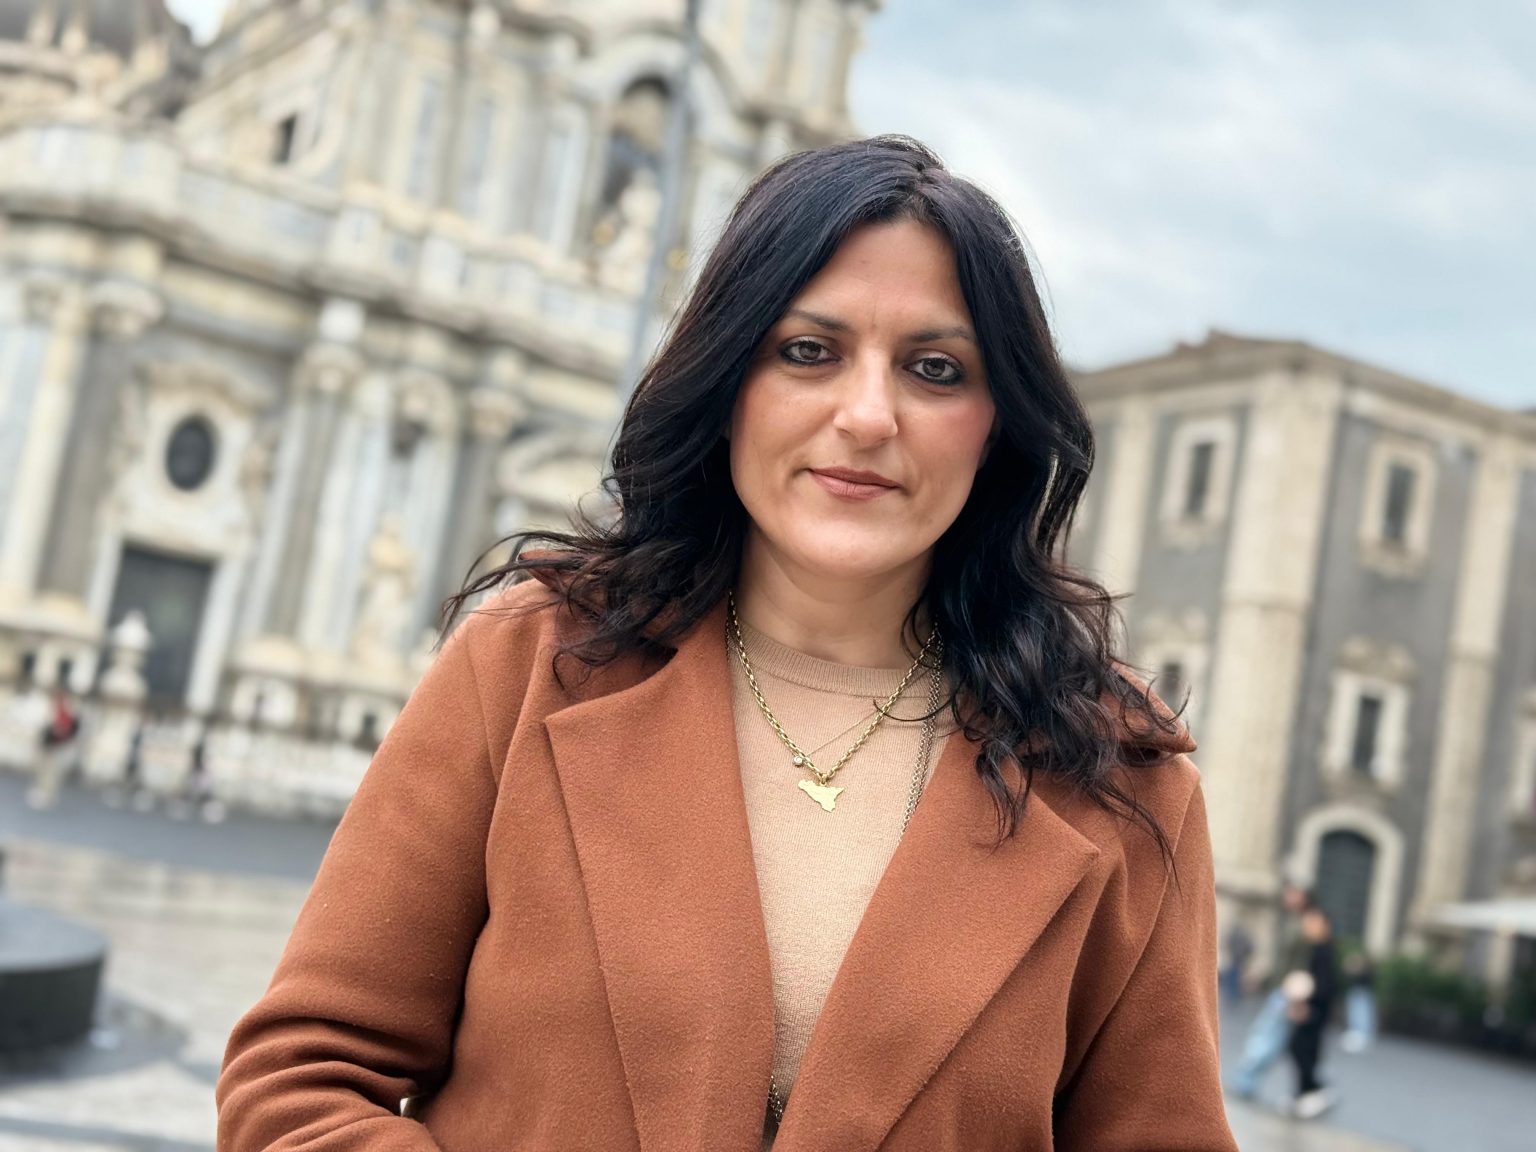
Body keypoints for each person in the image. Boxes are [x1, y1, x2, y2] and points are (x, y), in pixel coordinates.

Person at [217, 136, 1236, 1151]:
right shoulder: (531, 662)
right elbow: (301, 1082)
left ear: (997, 423)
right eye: (809, 351)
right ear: (730, 379)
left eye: (935, 370)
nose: (867, 416)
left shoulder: (1123, 782)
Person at [1230, 883, 1312, 1100]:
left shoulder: (1305, 925)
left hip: (1288, 992)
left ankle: (1245, 1081)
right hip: (1283, 990)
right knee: (1266, 1036)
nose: (1287, 896)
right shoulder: (1293, 922)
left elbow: (1300, 966)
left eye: (1292, 893)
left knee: (1267, 1038)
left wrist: (1297, 999)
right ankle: (1245, 1081)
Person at [1287, 906, 1340, 1119]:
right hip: (1311, 1008)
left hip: (1316, 1011)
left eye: (1313, 923)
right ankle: (1303, 1093)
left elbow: (1326, 986)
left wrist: (1307, 1005)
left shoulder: (1325, 951)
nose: (1307, 927)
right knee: (1299, 1049)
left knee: (1304, 1050)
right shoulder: (1314, 949)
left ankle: (1314, 1091)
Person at [26, 684, 80, 810]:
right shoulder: (53, 708)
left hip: (56, 746)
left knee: (51, 772)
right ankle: (41, 791)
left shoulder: (66, 711)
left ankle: (46, 795)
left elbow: (67, 730)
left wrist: (59, 734)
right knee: (42, 768)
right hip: (48, 744)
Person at [1341, 949, 1377, 1053]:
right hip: (1357, 992)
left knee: (1361, 1015)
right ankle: (1357, 1034)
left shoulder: (1366, 970)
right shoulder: (1364, 969)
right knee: (1355, 1014)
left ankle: (1362, 1035)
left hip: (1361, 993)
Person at [1223, 920, 1255, 1003]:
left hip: (1239, 961)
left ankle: (1235, 995)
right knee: (1234, 977)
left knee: (1236, 978)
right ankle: (1233, 995)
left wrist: (1244, 955)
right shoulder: (1238, 937)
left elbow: (1250, 948)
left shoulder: (1241, 937)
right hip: (1236, 960)